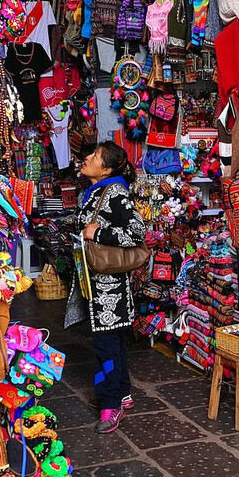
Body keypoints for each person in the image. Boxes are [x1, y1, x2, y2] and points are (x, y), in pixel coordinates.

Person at [74, 141, 147, 434]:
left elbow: (138, 232)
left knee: (106, 345)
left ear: (105, 169)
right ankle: (122, 392)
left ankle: (110, 404)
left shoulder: (115, 193)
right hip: (97, 285)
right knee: (113, 342)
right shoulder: (95, 192)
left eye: (93, 156)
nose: (87, 158)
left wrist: (99, 232)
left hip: (110, 289)